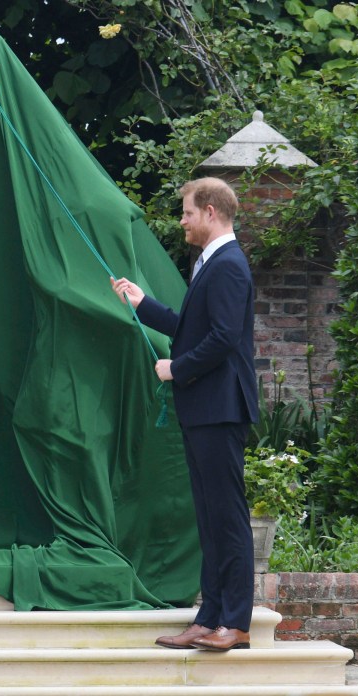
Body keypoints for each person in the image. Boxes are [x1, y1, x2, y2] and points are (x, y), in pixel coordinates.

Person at [111, 177, 258, 652]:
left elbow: (224, 339)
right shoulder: (208, 263)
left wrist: (176, 368)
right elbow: (192, 328)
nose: (183, 220)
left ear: (211, 212)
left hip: (219, 408)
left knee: (227, 517)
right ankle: (208, 617)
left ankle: (234, 623)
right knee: (210, 517)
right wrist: (143, 305)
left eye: (188, 213)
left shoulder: (229, 265)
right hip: (204, 409)